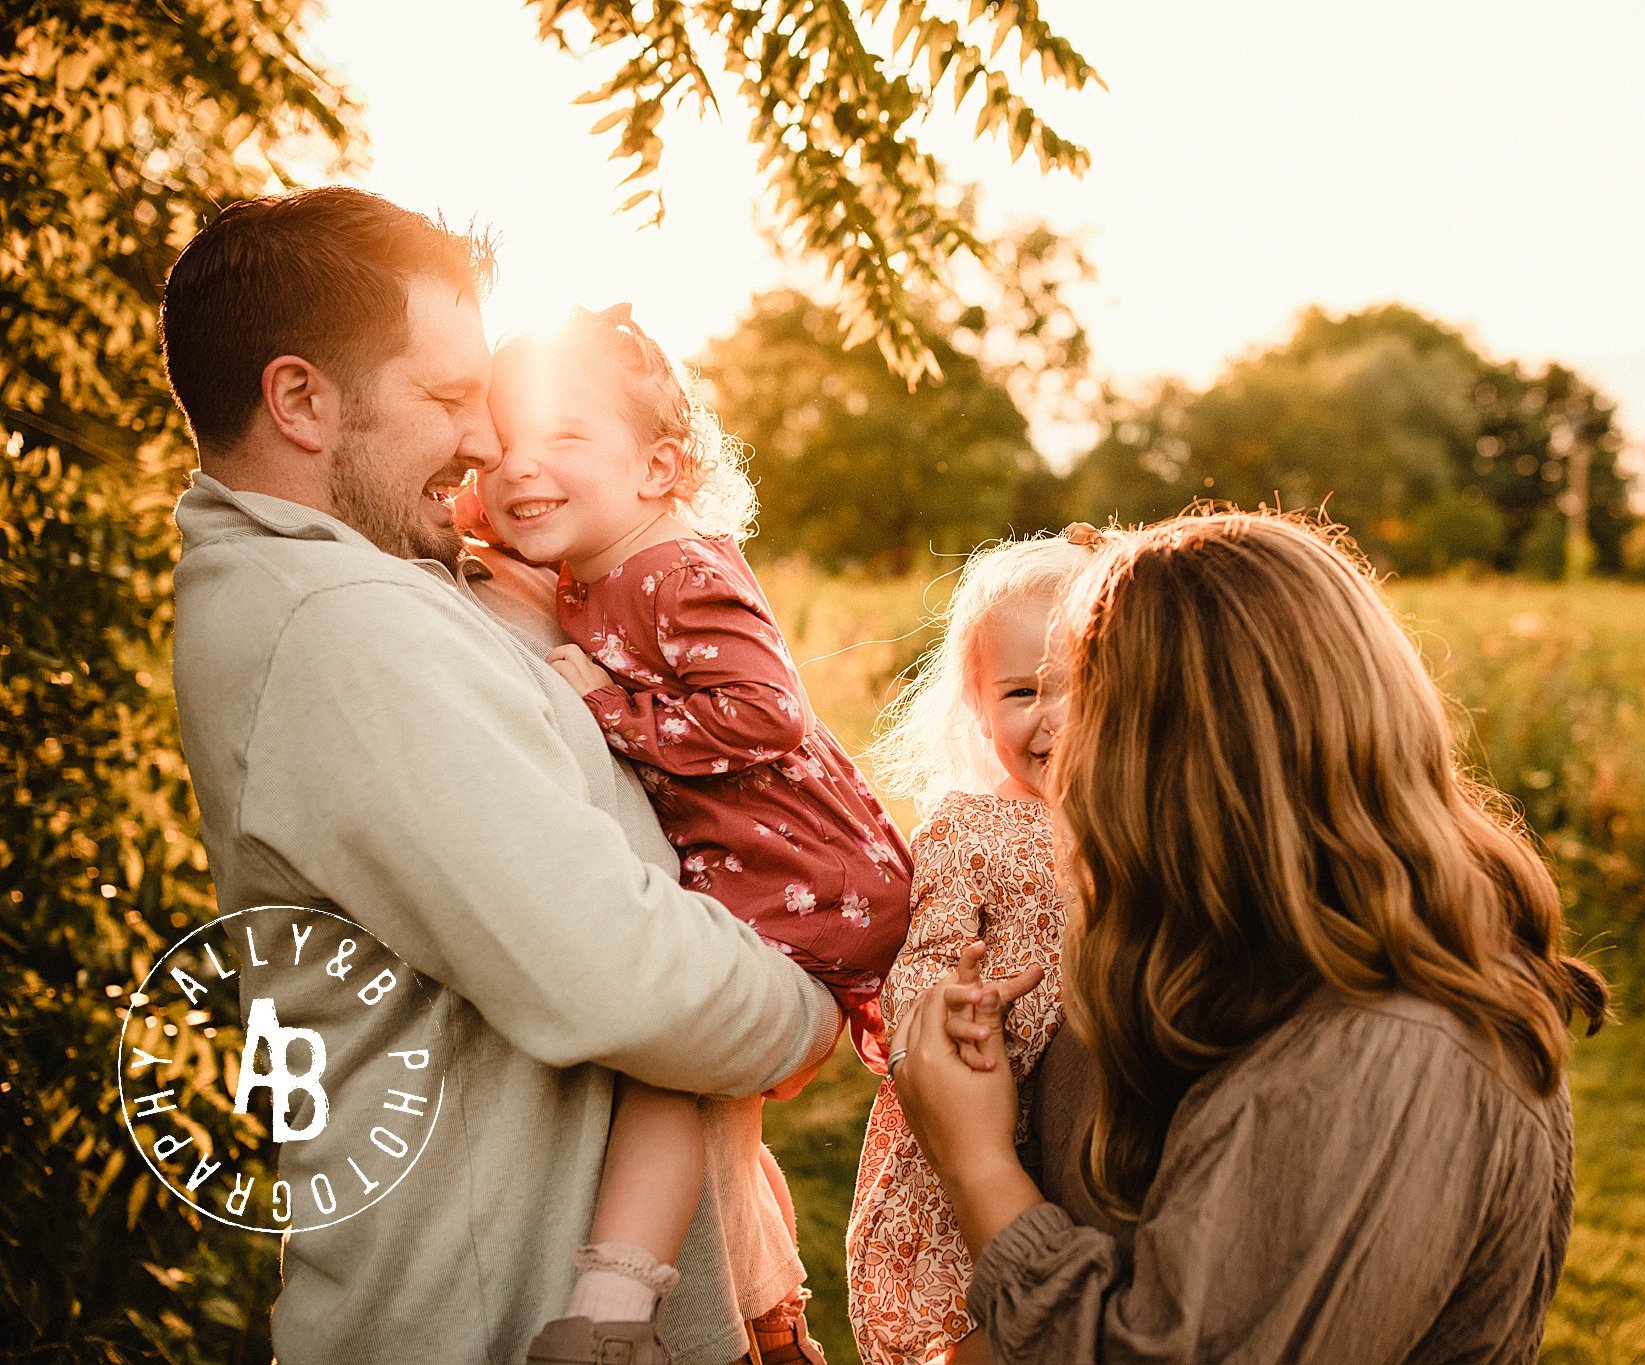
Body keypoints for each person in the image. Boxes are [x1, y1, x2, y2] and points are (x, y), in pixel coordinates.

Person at [162, 186, 841, 1365]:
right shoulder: (334, 624)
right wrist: (810, 1008)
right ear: (301, 400)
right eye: (444, 398)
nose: (483, 443)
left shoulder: (381, 586)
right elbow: (618, 979)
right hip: (497, 1325)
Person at [891, 511, 1611, 1363]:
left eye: (1092, 704)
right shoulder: (1190, 954)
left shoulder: (1389, 1055)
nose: (1061, 742)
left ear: (1183, 758)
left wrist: (977, 1165)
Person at [471, 305, 913, 1364]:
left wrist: (600, 703)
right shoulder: (603, 563)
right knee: (718, 1106)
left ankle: (614, 1318)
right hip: (768, 871)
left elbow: (766, 713)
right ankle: (769, 1319)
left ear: (661, 466)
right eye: (500, 445)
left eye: (563, 438)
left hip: (804, 877)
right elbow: (467, 522)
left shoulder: (677, 568)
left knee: (670, 1060)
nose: (522, 467)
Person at [843, 529, 1101, 1365]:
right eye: (1021, 692)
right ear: (979, 703)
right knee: (989, 1326)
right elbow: (923, 960)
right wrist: (950, 1003)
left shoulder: (1142, 825)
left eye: (1078, 686)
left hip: (1093, 1126)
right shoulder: (975, 826)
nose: (1050, 717)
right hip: (991, 1100)